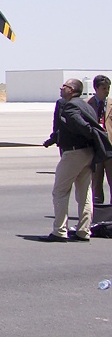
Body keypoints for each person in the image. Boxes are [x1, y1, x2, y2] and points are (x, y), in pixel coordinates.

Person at [42, 78, 105, 242]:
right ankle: (84, 231)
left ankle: (59, 231)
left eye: (65, 86)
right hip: (88, 153)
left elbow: (81, 125)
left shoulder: (70, 106)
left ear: (73, 90)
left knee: (60, 191)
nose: (61, 88)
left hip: (74, 154)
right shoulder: (87, 105)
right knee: (84, 193)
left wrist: (87, 132)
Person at [88, 75, 110, 206]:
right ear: (96, 88)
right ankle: (98, 207)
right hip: (96, 148)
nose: (106, 91)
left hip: (110, 148)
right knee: (96, 179)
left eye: (108, 88)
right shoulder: (87, 104)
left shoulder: (111, 103)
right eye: (104, 88)